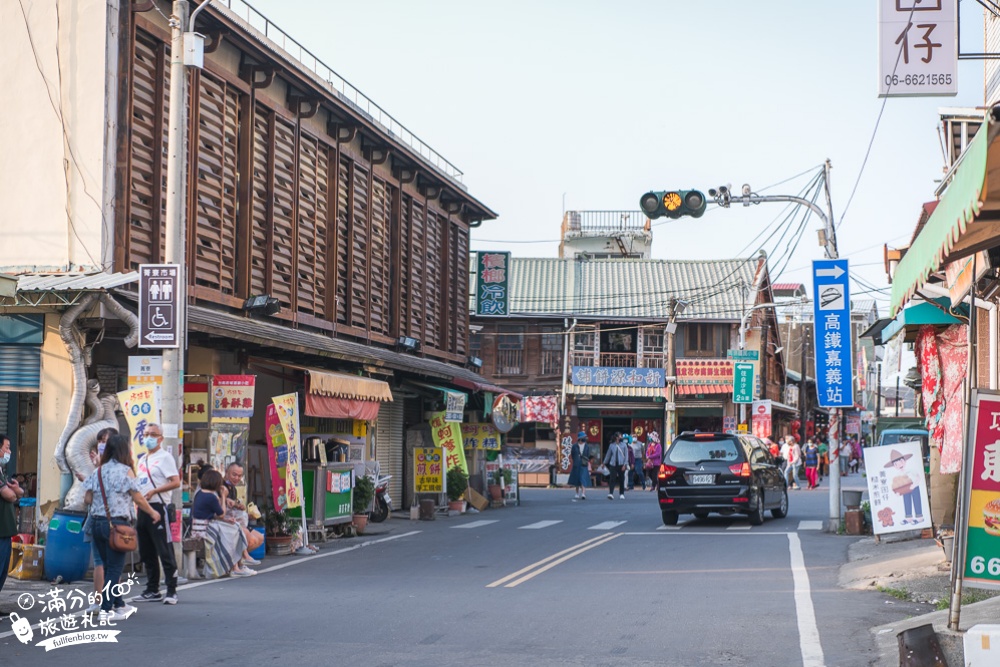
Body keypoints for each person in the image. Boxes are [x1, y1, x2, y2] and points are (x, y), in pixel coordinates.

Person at [83, 434, 161, 620]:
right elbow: (138, 498)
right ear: (124, 451)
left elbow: (86, 498)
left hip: (96, 523)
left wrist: (103, 503)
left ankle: (119, 605)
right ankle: (106, 610)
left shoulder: (98, 471)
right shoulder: (126, 471)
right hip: (117, 525)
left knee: (108, 565)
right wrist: (152, 512)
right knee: (114, 569)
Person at [133, 423, 181, 605]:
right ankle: (152, 589)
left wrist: (155, 491)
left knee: (164, 549)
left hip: (159, 507)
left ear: (160, 438)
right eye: (146, 434)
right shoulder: (142, 459)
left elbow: (175, 481)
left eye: (153, 434)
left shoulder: (165, 457)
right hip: (143, 508)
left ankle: (171, 589)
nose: (149, 437)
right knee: (146, 551)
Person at [82, 427, 118, 613]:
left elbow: (88, 497)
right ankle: (104, 602)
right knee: (106, 563)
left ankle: (106, 602)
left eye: (106, 440)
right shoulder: (121, 466)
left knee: (108, 563)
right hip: (103, 519)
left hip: (108, 520)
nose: (102, 444)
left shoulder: (109, 468)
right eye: (100, 440)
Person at [192, 470, 252, 577]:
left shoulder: (199, 494)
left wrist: (226, 520)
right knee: (233, 531)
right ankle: (238, 565)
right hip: (205, 529)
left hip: (198, 527)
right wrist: (223, 496)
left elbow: (210, 514)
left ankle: (238, 564)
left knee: (234, 528)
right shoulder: (211, 497)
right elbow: (222, 514)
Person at [221, 462, 262, 566]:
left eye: (239, 476)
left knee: (260, 538)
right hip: (223, 522)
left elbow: (232, 505)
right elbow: (221, 508)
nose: (237, 478)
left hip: (234, 520)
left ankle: (238, 559)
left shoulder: (233, 488)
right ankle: (242, 558)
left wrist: (238, 506)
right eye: (234, 475)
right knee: (247, 535)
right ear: (226, 473)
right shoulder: (222, 487)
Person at [1, 434, 25, 600]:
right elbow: (10, 496)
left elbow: (18, 493)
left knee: (3, 571)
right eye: (7, 447)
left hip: (5, 531)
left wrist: (16, 492)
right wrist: (15, 493)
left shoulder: (2, 472)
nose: (9, 451)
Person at [603, 433, 629, 500]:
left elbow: (626, 456)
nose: (621, 437)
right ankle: (611, 493)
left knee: (621, 479)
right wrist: (604, 462)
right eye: (620, 436)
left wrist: (625, 464)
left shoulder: (624, 445)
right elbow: (608, 455)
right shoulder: (612, 445)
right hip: (613, 464)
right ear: (616, 437)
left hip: (621, 464)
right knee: (612, 479)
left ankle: (621, 493)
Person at [567, 432, 590, 500]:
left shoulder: (586, 446)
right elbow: (572, 454)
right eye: (583, 438)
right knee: (577, 479)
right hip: (576, 464)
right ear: (579, 439)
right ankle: (577, 493)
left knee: (583, 478)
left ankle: (583, 493)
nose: (584, 439)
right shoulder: (574, 446)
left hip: (583, 464)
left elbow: (588, 454)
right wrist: (576, 461)